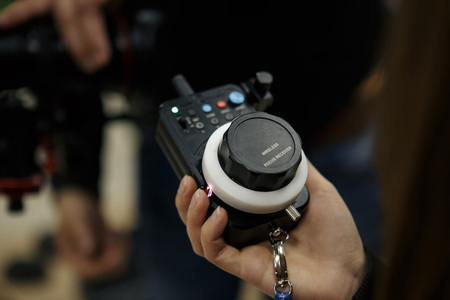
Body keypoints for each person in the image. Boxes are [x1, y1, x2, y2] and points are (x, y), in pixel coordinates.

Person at [0, 0, 387, 299]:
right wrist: (77, 181)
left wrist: (354, 284)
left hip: (339, 125)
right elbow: (80, 44)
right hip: (184, 158)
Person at [174, 0, 450, 298]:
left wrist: (352, 283)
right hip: (203, 83)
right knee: (191, 272)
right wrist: (355, 284)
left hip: (343, 117)